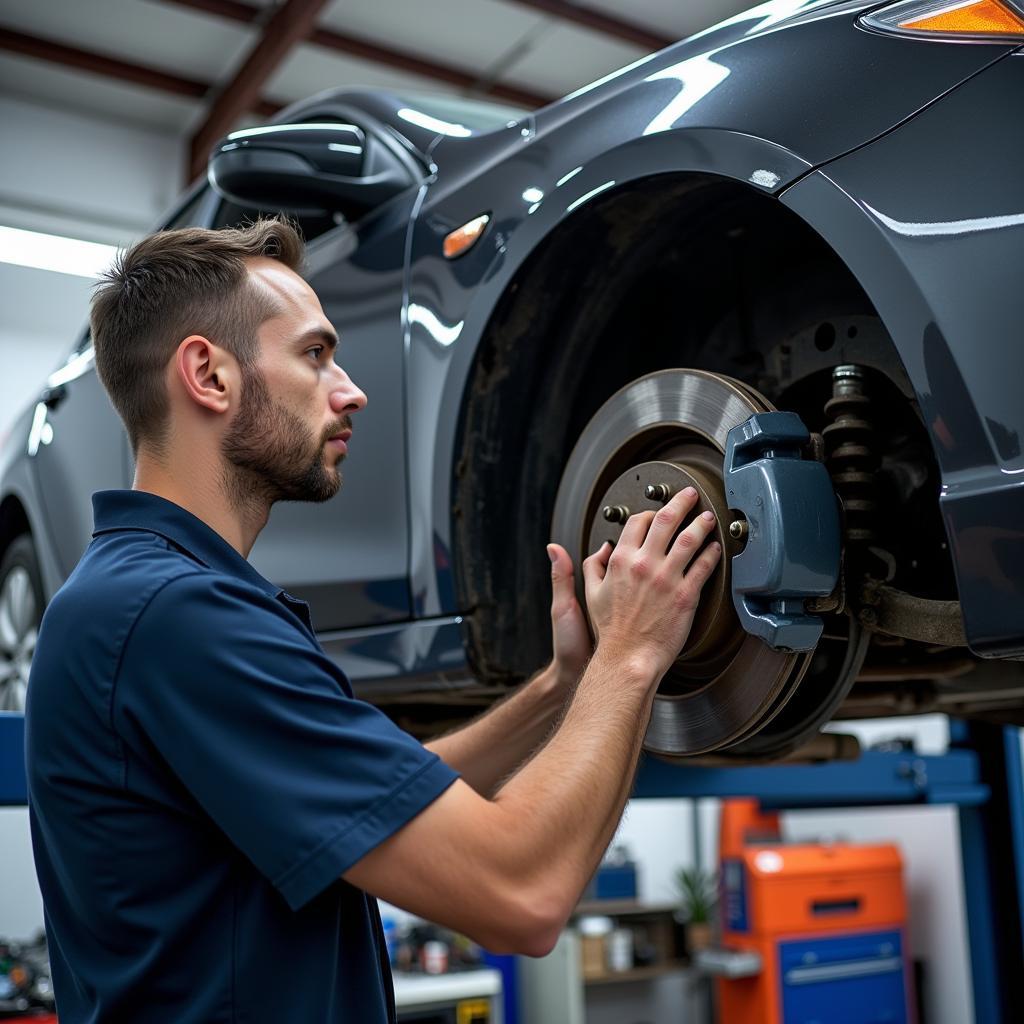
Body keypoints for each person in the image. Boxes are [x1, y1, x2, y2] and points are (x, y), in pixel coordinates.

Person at [25, 217, 722, 1023]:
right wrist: (630, 657)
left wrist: (564, 688)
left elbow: (384, 803)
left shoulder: (139, 600)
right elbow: (524, 893)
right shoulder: (177, 617)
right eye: (315, 355)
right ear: (209, 376)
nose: (350, 390)